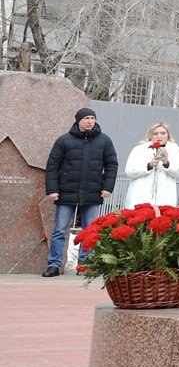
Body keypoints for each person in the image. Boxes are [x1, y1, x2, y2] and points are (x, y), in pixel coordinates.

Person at [42, 108, 117, 277]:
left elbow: (112, 165)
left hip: (92, 192)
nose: (90, 121)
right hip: (66, 192)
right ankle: (54, 265)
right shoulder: (64, 141)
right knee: (60, 230)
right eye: (86, 118)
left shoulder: (104, 141)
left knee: (89, 230)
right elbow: (53, 166)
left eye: (92, 118)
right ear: (78, 121)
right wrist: (52, 189)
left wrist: (107, 187)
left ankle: (86, 265)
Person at [125, 124, 179, 210]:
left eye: (163, 133)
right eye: (155, 134)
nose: (159, 136)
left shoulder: (176, 150)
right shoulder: (139, 150)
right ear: (150, 135)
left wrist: (166, 163)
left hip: (165, 199)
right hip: (140, 197)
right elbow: (129, 171)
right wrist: (149, 166)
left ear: (168, 135)